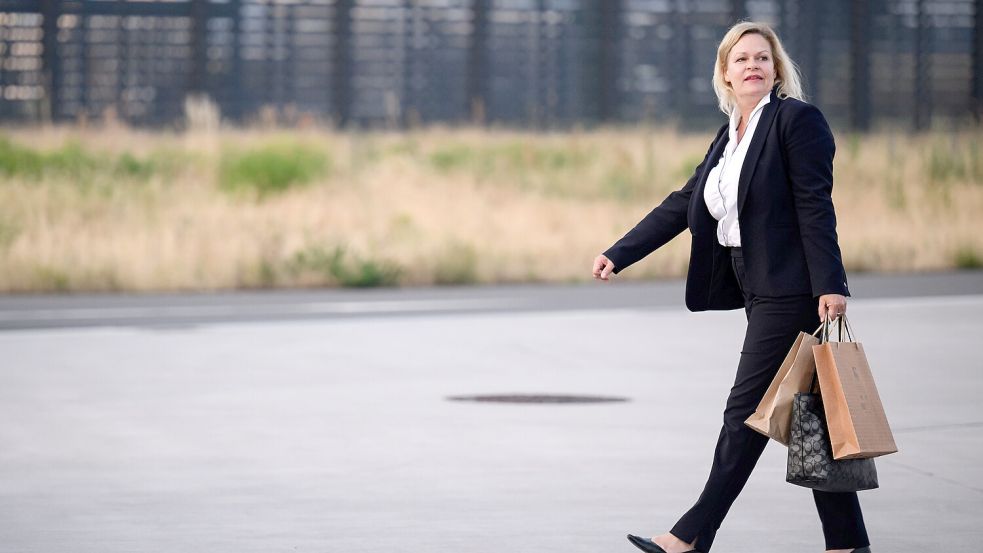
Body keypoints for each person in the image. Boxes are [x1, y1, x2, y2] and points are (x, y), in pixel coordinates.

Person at [591, 21, 871, 553]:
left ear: (776, 69)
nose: (753, 66)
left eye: (763, 58)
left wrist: (831, 285)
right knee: (809, 415)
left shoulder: (796, 121)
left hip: (791, 291)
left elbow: (816, 205)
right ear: (724, 73)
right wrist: (620, 252)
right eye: (741, 59)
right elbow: (685, 200)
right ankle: (847, 543)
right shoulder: (732, 134)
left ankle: (691, 536)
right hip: (754, 287)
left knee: (743, 416)